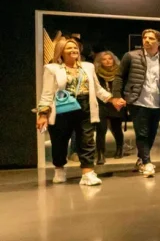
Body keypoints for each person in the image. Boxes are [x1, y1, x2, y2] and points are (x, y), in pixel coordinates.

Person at [36, 37, 126, 185]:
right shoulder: (52, 69)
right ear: (61, 52)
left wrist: (112, 99)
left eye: (75, 48)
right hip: (62, 108)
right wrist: (43, 114)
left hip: (85, 106)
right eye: (69, 48)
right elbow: (47, 93)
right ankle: (59, 169)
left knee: (87, 140)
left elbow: (97, 88)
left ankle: (87, 173)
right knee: (60, 141)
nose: (73, 50)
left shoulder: (88, 67)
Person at [120, 29, 160, 178]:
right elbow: (120, 76)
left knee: (151, 133)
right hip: (137, 101)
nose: (147, 40)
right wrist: (116, 97)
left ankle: (141, 159)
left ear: (159, 42)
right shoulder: (131, 56)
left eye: (151, 38)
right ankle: (147, 162)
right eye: (145, 38)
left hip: (156, 102)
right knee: (142, 132)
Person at [93, 51, 125, 165]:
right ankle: (100, 154)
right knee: (101, 129)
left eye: (110, 58)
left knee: (116, 128)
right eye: (104, 59)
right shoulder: (96, 73)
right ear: (99, 61)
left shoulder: (119, 73)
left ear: (114, 60)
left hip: (116, 103)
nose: (107, 61)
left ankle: (120, 149)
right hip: (101, 103)